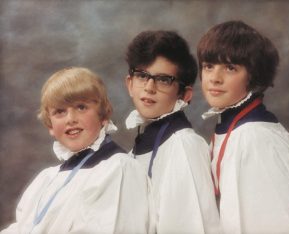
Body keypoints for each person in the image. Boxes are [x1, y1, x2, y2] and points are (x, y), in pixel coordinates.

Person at [1, 67, 154, 234]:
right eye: (60, 111)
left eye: (81, 107)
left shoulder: (118, 169)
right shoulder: (46, 179)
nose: (71, 119)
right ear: (50, 126)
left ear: (103, 115)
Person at [197, 20, 289, 234]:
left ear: (253, 75)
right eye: (208, 66)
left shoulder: (255, 139)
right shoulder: (232, 129)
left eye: (230, 68)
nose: (215, 78)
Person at [125, 30, 220, 234]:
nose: (149, 87)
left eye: (163, 80)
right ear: (130, 84)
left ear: (185, 95)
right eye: (142, 76)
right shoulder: (138, 145)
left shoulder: (184, 147)